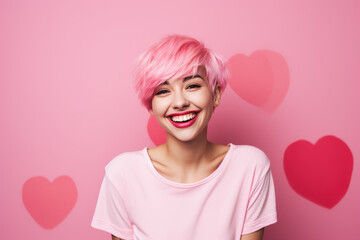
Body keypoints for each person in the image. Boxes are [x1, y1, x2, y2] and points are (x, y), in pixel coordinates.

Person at [91, 35, 277, 240]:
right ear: (150, 106)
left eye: (192, 86)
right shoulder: (123, 174)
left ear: (215, 95)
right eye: (163, 91)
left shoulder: (250, 167)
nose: (179, 102)